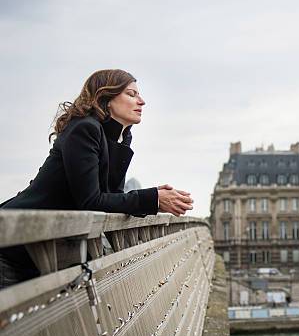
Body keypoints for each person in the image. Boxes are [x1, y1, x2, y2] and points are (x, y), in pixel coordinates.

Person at [0, 69, 193, 288]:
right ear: (106, 98)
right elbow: (91, 200)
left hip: (41, 246)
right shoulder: (85, 129)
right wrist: (153, 199)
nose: (142, 101)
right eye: (132, 94)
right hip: (14, 242)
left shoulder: (118, 136)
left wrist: (155, 198)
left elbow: (112, 197)